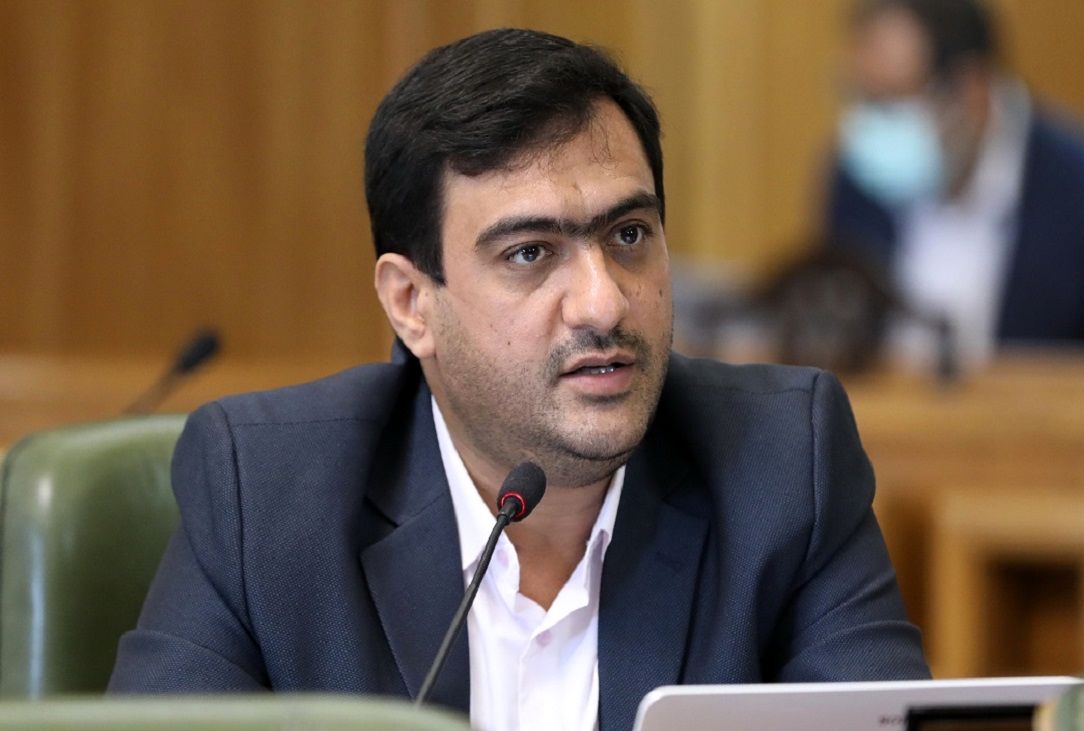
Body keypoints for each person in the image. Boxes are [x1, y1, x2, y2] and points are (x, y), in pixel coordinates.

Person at [108, 28, 929, 731]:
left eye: (629, 235)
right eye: (530, 253)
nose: (603, 302)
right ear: (411, 304)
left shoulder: (783, 465)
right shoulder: (265, 493)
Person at [828, 0, 1084, 369]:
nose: (873, 124)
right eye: (863, 97)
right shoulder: (856, 179)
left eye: (892, 103)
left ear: (972, 89)